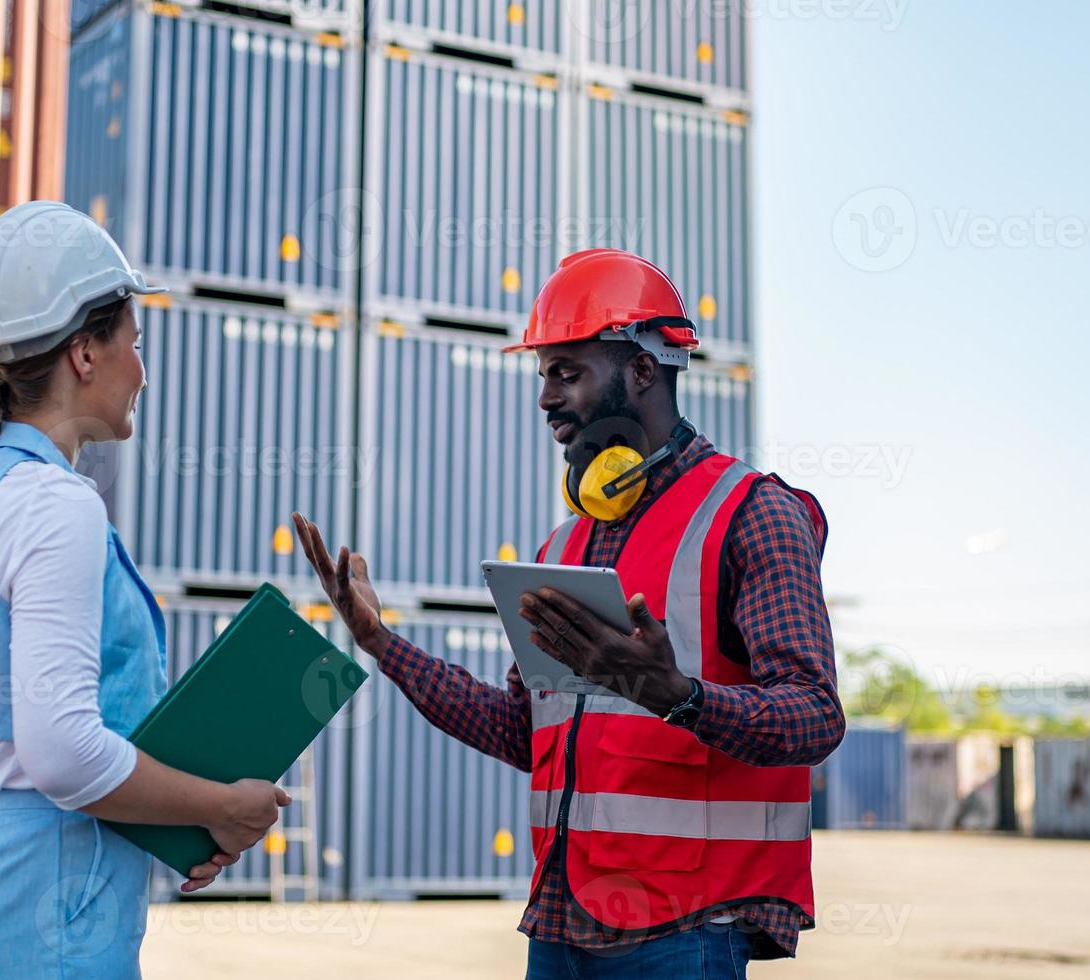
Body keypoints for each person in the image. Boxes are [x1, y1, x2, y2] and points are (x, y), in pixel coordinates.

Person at [294, 249, 845, 979]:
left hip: (685, 933)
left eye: (567, 371)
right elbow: (524, 733)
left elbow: (814, 717)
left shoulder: (753, 515)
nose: (546, 398)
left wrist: (675, 697)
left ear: (643, 370)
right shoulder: (566, 543)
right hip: (559, 927)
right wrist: (380, 641)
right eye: (543, 373)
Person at [0, 201, 288, 979]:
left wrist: (179, 822)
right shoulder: (55, 505)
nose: (140, 371)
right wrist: (222, 807)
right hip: (42, 917)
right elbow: (64, 756)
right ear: (84, 352)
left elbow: (24, 751)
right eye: (133, 344)